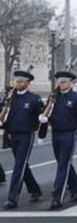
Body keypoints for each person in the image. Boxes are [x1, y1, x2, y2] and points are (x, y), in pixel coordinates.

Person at [38, 70, 77, 210]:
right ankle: (75, 188)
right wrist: (42, 134)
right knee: (63, 163)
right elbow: (45, 115)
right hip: (56, 133)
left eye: (64, 81)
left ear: (71, 82)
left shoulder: (76, 98)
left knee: (62, 166)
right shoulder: (53, 97)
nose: (61, 84)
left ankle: (57, 197)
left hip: (69, 134)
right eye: (59, 82)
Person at [1, 70, 44, 209]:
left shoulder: (34, 99)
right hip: (12, 135)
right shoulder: (11, 98)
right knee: (23, 165)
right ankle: (35, 189)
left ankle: (12, 198)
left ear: (27, 83)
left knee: (19, 166)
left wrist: (41, 134)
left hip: (26, 135)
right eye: (16, 81)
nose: (17, 84)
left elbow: (42, 118)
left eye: (20, 81)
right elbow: (5, 115)